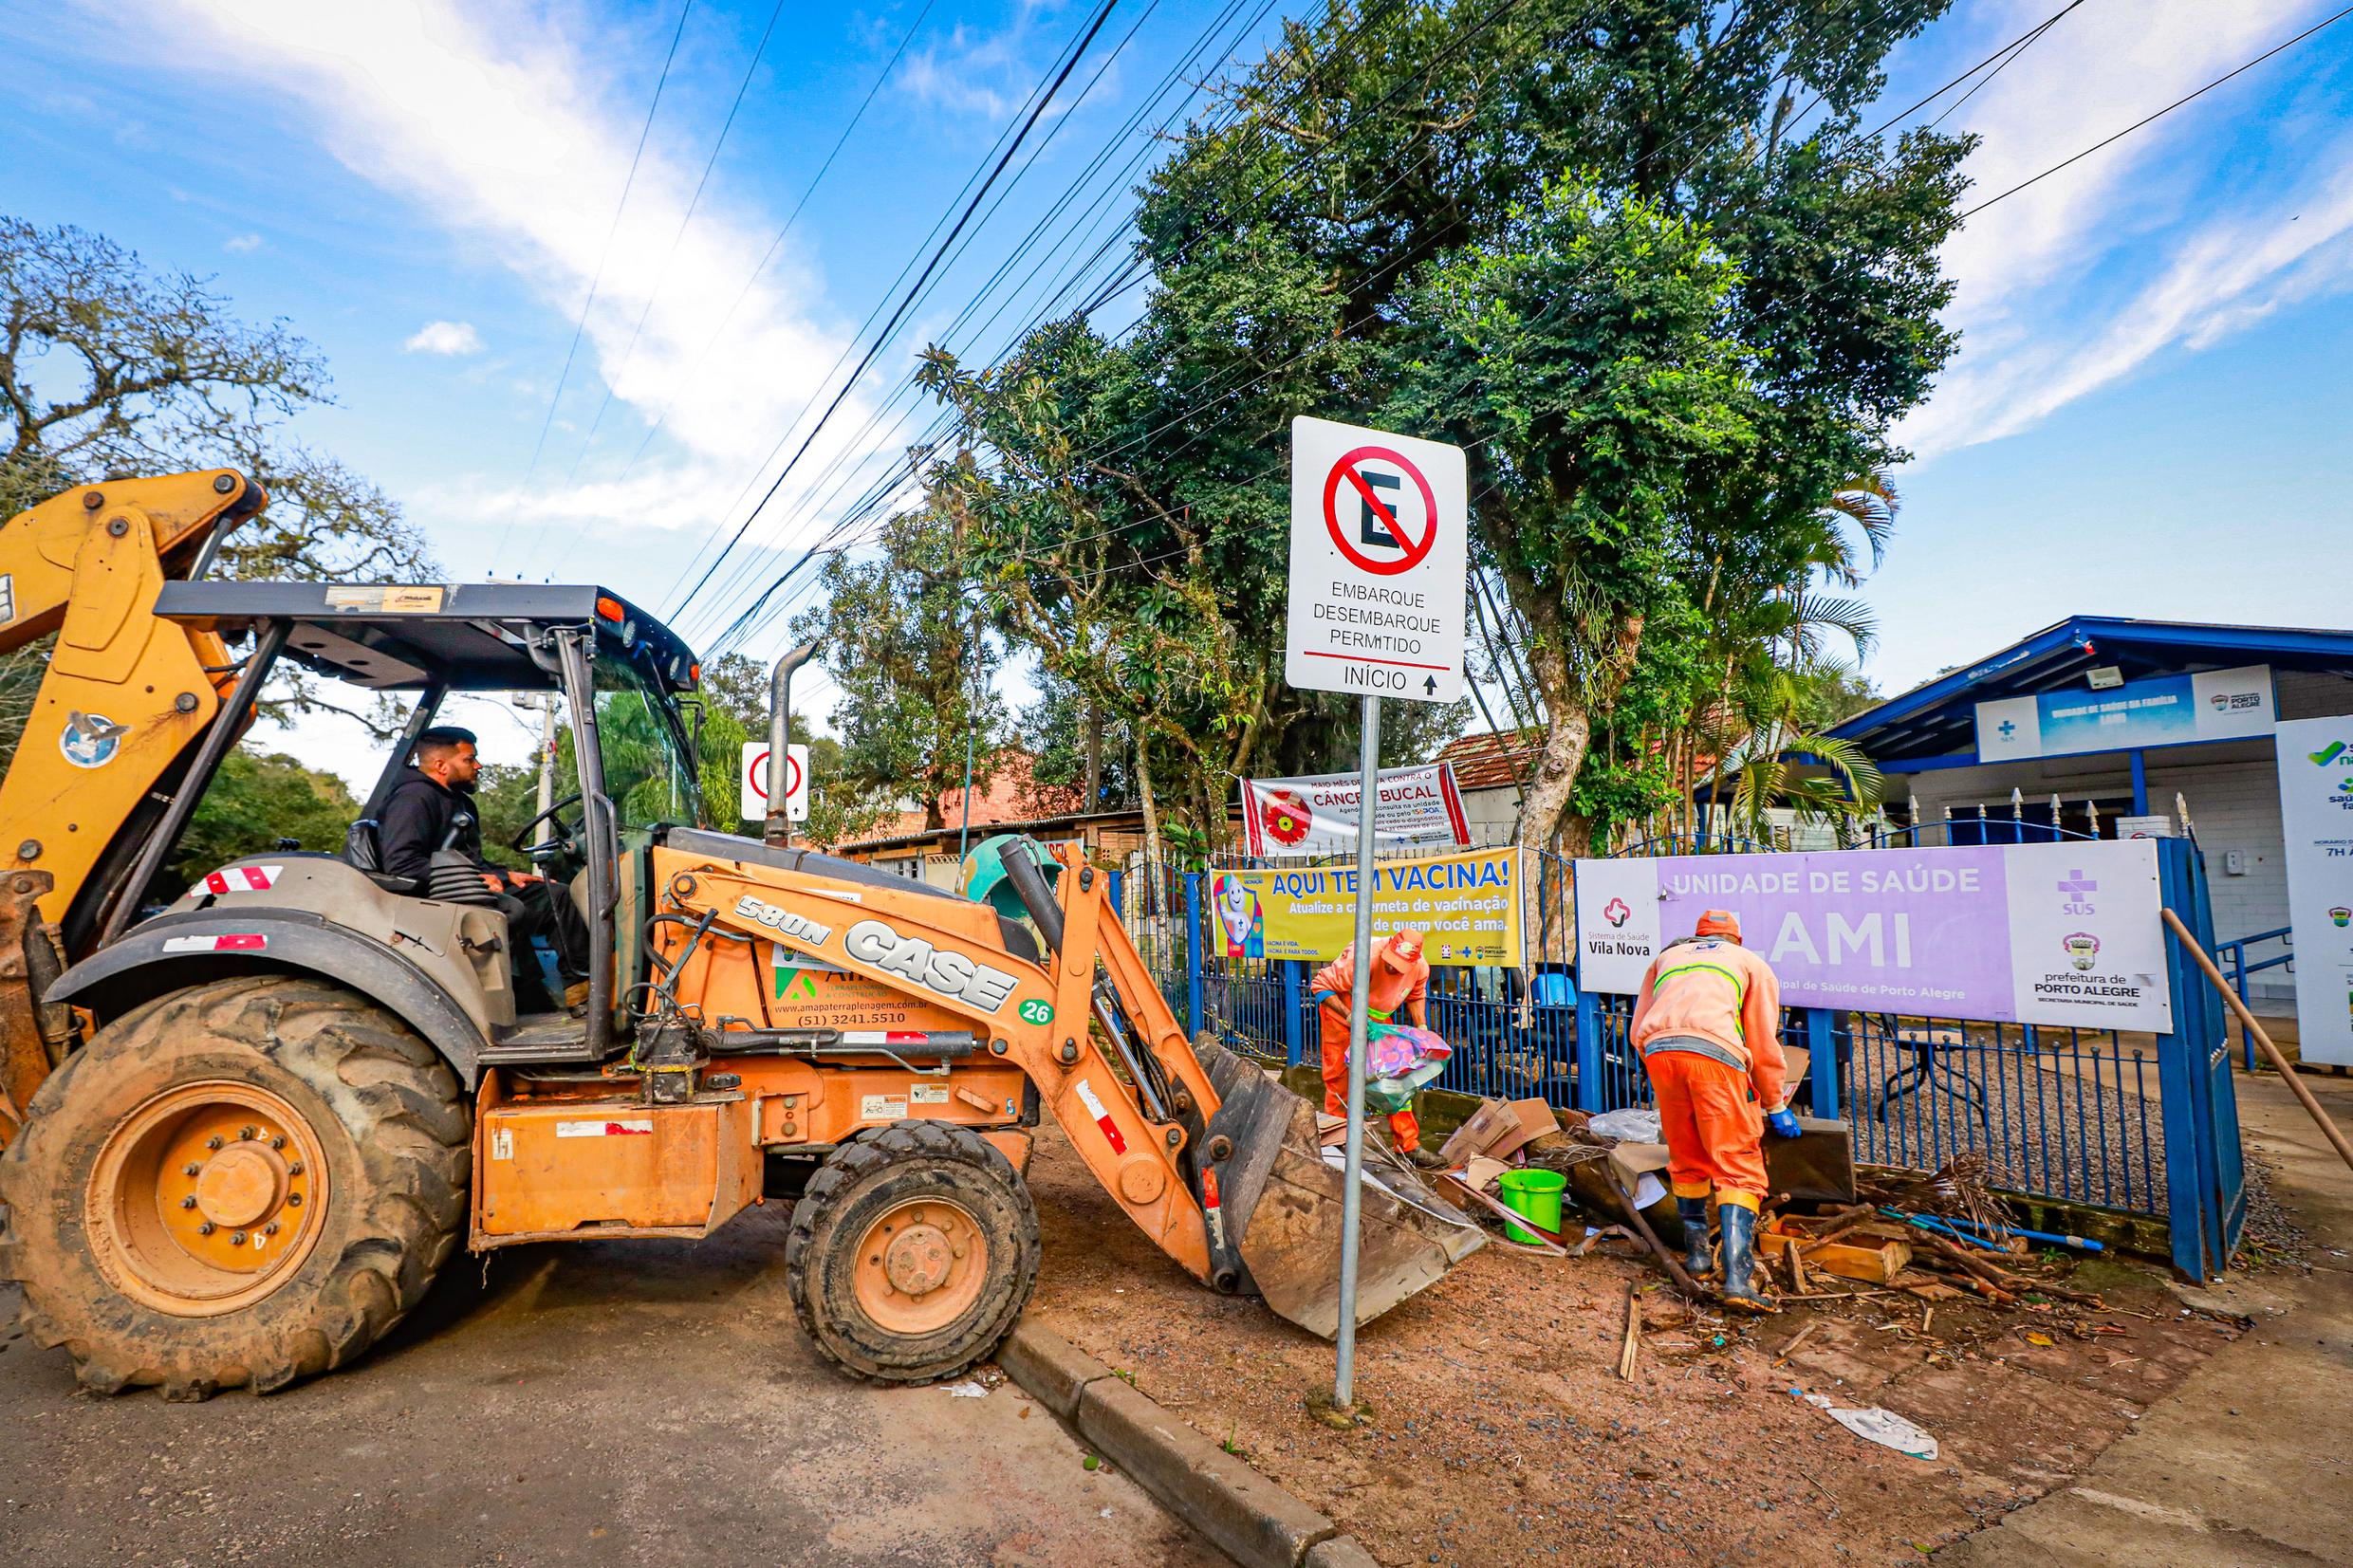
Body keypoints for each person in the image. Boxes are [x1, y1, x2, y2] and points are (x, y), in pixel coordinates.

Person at [1628, 910, 1803, 1314]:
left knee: (1686, 1155)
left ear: (1699, 934)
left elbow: (1639, 1027)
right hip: (1716, 1057)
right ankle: (1739, 1278)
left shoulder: (1667, 958)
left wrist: (1665, 1065)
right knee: (1737, 1160)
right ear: (1736, 939)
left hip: (1660, 1053)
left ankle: (1698, 1259)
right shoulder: (1751, 964)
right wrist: (1774, 1103)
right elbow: (1761, 1042)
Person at [377, 726, 585, 1006]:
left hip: (462, 886)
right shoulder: (414, 798)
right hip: (435, 896)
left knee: (552, 894)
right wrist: (475, 880)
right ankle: (573, 990)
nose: (478, 765)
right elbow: (401, 863)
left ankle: (552, 992)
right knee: (540, 903)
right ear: (440, 765)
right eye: (469, 759)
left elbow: (468, 858)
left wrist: (502, 874)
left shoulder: (457, 801)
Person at [1310, 929, 1443, 1170]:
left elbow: (1415, 995)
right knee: (1340, 1078)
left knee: (1397, 1081)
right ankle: (1338, 1143)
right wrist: (1351, 1017)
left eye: (1399, 967)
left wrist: (1421, 1026)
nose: (1393, 969)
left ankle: (1408, 1146)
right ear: (1388, 948)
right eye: (1391, 963)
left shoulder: (1420, 968)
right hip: (1342, 1016)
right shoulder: (1363, 956)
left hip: (1379, 1022)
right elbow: (1320, 986)